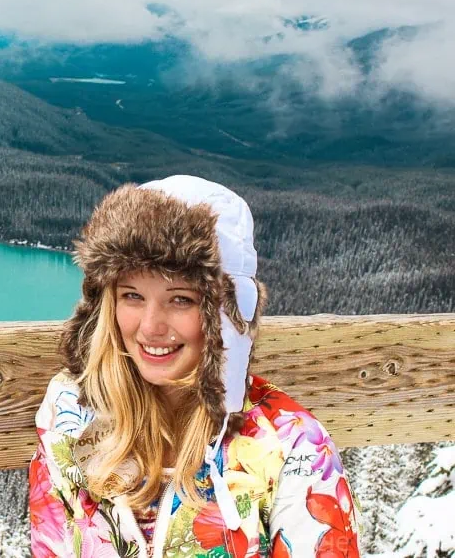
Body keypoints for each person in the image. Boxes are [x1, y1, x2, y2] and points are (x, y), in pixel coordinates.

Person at [29, 175, 361, 558]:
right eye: (132, 296)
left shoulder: (294, 448)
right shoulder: (70, 414)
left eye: (181, 300)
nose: (150, 327)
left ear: (225, 317)